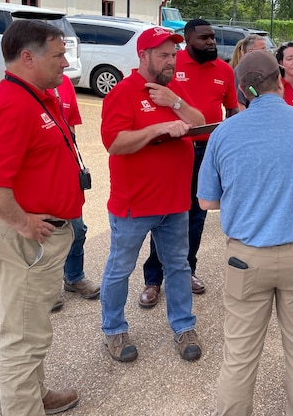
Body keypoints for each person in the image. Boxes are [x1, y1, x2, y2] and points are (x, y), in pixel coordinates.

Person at [198, 50, 293, 416]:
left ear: (244, 92)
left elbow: (206, 202)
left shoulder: (224, 133)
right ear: (279, 79)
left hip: (246, 257)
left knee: (239, 356)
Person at [0, 19, 85, 415]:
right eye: (58, 55)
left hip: (40, 237)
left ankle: (36, 395)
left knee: (33, 330)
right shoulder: (11, 104)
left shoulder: (37, 96)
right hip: (27, 240)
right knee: (21, 338)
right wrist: (23, 223)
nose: (65, 64)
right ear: (28, 57)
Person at [100, 27, 206, 363]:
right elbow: (115, 143)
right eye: (163, 55)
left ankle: (183, 326)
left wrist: (174, 103)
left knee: (177, 267)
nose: (171, 61)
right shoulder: (123, 93)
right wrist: (157, 128)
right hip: (136, 204)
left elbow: (200, 122)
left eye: (173, 55)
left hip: (175, 203)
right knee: (120, 268)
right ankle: (114, 331)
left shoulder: (173, 90)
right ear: (143, 56)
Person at [139, 19, 238, 306]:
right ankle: (153, 279)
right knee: (166, 214)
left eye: (213, 38)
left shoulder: (224, 70)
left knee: (196, 216)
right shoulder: (171, 64)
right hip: (174, 149)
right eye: (204, 37)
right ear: (187, 39)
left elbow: (231, 109)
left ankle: (187, 271)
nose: (211, 42)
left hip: (208, 153)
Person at [52, 75, 101, 312]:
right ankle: (47, 288)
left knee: (77, 229)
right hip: (40, 178)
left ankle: (74, 276)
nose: (64, 61)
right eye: (57, 54)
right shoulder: (23, 91)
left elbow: (70, 127)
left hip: (67, 173)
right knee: (46, 235)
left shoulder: (65, 84)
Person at [235, 34, 270, 109]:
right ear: (250, 52)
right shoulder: (242, 71)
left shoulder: (265, 69)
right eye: (262, 49)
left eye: (266, 49)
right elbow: (239, 103)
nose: (266, 52)